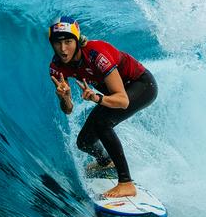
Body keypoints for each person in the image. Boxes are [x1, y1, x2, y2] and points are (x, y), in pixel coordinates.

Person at [48, 16, 158, 198]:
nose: (63, 49)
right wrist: (65, 98)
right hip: (114, 94)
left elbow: (122, 101)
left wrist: (97, 97)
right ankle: (106, 162)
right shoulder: (57, 67)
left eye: (68, 42)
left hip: (141, 86)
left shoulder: (95, 54)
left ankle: (126, 183)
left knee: (102, 123)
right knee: (84, 142)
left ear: (77, 40)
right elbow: (67, 109)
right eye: (57, 43)